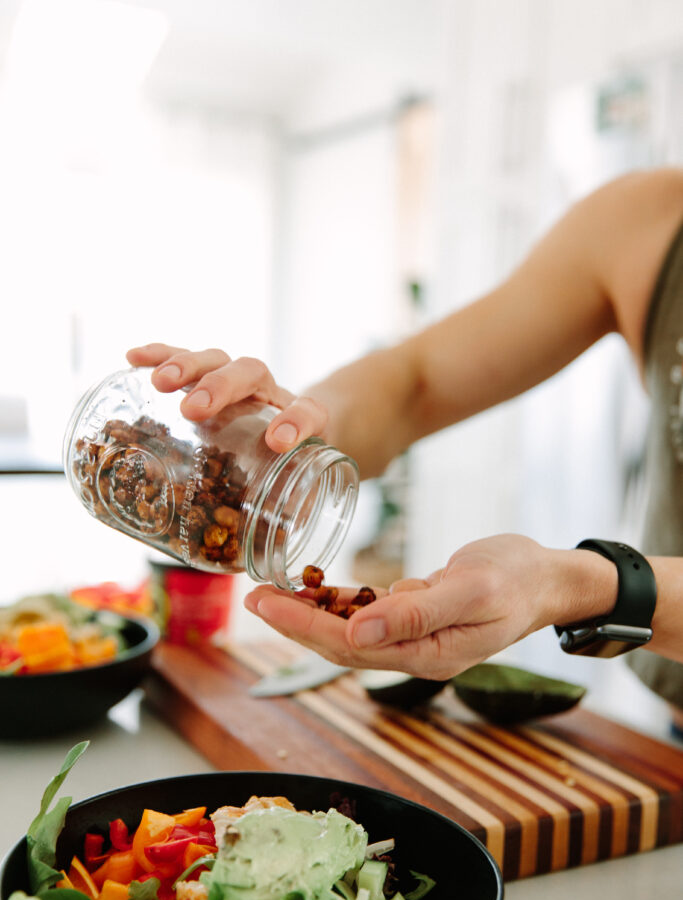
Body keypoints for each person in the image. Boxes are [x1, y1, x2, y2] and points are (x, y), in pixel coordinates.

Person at [127, 167, 683, 712]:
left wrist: (582, 585)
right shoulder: (643, 218)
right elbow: (414, 383)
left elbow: (576, 586)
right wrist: (292, 433)